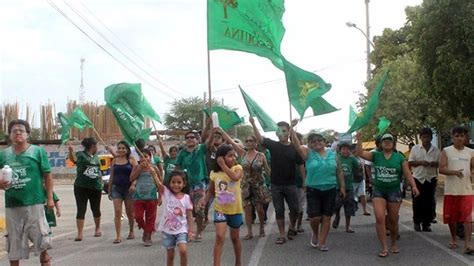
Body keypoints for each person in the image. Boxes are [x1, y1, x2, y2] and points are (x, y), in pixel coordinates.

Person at [356, 133, 419, 257]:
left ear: (393, 143)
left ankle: (394, 243)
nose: (387, 142)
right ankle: (384, 247)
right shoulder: (376, 155)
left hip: (394, 191)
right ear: (380, 143)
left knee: (393, 220)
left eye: (389, 140)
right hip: (379, 191)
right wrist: (359, 140)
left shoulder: (400, 158)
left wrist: (414, 186)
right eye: (384, 140)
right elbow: (360, 153)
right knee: (380, 217)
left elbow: (407, 173)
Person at [0, 119, 54, 266]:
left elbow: (47, 175)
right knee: (14, 244)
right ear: (10, 135)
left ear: (27, 134)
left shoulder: (37, 152)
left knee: (42, 242)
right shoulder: (3, 155)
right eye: (14, 131)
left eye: (21, 130)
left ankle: (45, 260)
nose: (18, 132)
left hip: (35, 203)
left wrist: (50, 198)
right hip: (12, 205)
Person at [290, 124, 346, 251]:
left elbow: (339, 172)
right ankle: (315, 233)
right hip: (313, 189)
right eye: (313, 141)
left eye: (319, 140)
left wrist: (342, 186)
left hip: (330, 189)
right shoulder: (308, 154)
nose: (317, 143)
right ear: (309, 143)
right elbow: (297, 145)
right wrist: (292, 130)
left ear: (324, 142)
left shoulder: (333, 154)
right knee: (315, 218)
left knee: (327, 216)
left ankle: (322, 242)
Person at [250, 117, 304, 245]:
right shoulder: (273, 145)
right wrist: (253, 124)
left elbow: (301, 164)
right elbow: (260, 139)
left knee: (295, 209)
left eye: (285, 131)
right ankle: (282, 234)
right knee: (279, 210)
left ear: (289, 132)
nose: (282, 133)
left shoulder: (294, 148)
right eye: (280, 131)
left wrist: (304, 180)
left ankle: (292, 227)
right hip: (276, 185)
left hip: (291, 184)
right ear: (276, 133)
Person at [217, 128, 271, 239]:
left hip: (259, 185)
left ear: (256, 143)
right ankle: (249, 231)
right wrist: (221, 130)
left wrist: (273, 181)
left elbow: (267, 170)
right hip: (246, 185)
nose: (249, 143)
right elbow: (231, 141)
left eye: (251, 141)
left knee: (260, 209)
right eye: (247, 141)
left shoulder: (261, 155)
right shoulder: (242, 153)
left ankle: (261, 227)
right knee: (248, 209)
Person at [199, 144, 243, 266]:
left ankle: (238, 262)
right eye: (230, 156)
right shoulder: (214, 173)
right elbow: (211, 191)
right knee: (219, 237)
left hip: (235, 210)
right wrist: (204, 200)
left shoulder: (237, 168)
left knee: (235, 238)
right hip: (220, 210)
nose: (233, 158)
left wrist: (223, 165)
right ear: (221, 158)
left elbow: (235, 178)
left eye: (234, 156)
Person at [438, 126, 474, 254]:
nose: (459, 138)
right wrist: (453, 172)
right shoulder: (446, 151)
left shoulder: (470, 152)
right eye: (457, 136)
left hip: (466, 190)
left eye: (462, 136)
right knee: (452, 218)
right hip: (451, 190)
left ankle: (467, 244)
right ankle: (454, 238)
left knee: (467, 217)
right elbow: (441, 169)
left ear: (465, 138)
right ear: (453, 137)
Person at [175, 122, 211, 241]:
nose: (190, 139)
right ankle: (188, 231)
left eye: (192, 137)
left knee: (199, 208)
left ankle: (199, 232)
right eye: (187, 138)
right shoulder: (182, 153)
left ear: (197, 140)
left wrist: (210, 123)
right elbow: (177, 168)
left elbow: (208, 138)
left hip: (200, 183)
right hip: (186, 185)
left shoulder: (201, 149)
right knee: (187, 210)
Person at [68, 137, 103, 242]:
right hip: (81, 186)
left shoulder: (97, 157)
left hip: (95, 187)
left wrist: (101, 181)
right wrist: (71, 151)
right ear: (92, 146)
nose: (97, 147)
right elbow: (73, 159)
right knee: (81, 209)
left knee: (96, 208)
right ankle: (80, 233)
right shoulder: (81, 155)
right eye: (96, 145)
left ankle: (97, 228)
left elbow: (99, 170)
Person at [158, 170, 193, 266]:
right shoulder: (167, 194)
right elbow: (158, 183)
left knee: (183, 250)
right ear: (169, 183)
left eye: (179, 182)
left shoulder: (186, 198)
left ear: (184, 184)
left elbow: (189, 215)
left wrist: (190, 230)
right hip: (167, 230)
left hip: (181, 229)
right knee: (170, 254)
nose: (176, 185)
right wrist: (153, 172)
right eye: (173, 182)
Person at [408, 128, 440, 232]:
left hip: (430, 178)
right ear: (420, 137)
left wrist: (433, 164)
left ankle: (426, 223)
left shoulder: (436, 150)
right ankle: (417, 222)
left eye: (428, 137)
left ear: (431, 138)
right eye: (424, 137)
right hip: (418, 178)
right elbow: (411, 162)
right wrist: (421, 162)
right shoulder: (415, 149)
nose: (426, 139)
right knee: (417, 201)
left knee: (428, 201)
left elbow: (440, 163)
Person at [130, 148, 162, 247]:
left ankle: (148, 237)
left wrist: (160, 196)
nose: (143, 158)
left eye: (146, 156)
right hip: (139, 197)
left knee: (150, 218)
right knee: (138, 216)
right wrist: (139, 169)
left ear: (150, 157)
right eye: (141, 156)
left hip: (151, 197)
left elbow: (160, 184)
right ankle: (145, 230)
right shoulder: (136, 167)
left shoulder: (154, 168)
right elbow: (131, 178)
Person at [107, 141, 138, 244]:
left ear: (127, 149)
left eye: (123, 148)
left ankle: (131, 230)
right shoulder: (115, 160)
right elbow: (112, 175)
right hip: (117, 189)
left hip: (128, 189)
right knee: (117, 212)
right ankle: (118, 236)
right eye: (119, 148)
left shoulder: (131, 160)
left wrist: (133, 184)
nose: (121, 150)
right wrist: (109, 189)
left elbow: (137, 174)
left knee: (129, 212)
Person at [332, 142, 359, 233]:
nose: (346, 151)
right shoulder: (336, 158)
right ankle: (337, 216)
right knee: (336, 205)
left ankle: (348, 226)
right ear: (340, 150)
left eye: (348, 149)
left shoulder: (352, 159)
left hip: (348, 187)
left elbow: (358, 167)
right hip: (337, 186)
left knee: (349, 207)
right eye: (344, 149)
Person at [350, 144, 371, 216]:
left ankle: (365, 210)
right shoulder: (350, 158)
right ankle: (352, 208)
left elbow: (363, 167)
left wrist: (365, 177)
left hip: (361, 179)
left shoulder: (361, 157)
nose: (358, 150)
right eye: (357, 148)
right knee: (351, 196)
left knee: (363, 194)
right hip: (352, 180)